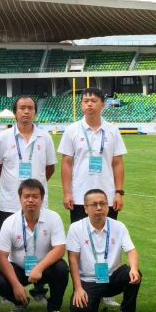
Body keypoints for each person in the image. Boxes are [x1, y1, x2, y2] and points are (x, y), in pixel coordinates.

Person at [0, 179, 69, 312]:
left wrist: (39, 268)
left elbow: (60, 249)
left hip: (44, 268)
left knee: (61, 268)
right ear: (20, 199)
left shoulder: (53, 218)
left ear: (42, 198)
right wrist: (16, 285)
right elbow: (1, 257)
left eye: (35, 196)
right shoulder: (9, 222)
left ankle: (54, 308)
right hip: (19, 269)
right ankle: (21, 302)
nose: (30, 200)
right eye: (26, 196)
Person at [66, 188, 142, 312]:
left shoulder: (119, 226)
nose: (99, 207)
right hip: (89, 280)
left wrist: (134, 268)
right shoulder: (76, 228)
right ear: (85, 208)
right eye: (94, 204)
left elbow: (131, 251)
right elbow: (73, 259)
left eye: (103, 203)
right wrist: (78, 288)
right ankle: (96, 302)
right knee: (79, 310)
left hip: (112, 277)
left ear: (108, 206)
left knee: (133, 274)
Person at [59, 87, 127, 222]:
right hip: (79, 197)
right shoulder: (72, 130)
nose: (89, 104)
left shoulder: (112, 130)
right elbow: (66, 163)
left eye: (93, 101)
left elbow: (118, 163)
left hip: (107, 197)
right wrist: (67, 193)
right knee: (80, 233)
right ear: (81, 104)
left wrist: (119, 193)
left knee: (107, 233)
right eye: (85, 101)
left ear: (103, 105)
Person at [0, 96, 57, 234]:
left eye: (30, 108)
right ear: (15, 112)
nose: (26, 111)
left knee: (38, 241)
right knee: (7, 243)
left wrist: (34, 184)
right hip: (9, 203)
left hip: (38, 203)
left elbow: (50, 168)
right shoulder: (3, 137)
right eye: (22, 108)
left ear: (35, 112)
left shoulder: (45, 137)